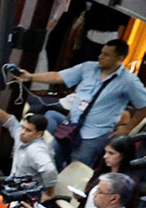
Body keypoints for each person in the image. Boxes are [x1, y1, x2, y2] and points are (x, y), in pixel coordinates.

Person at [18, 39, 146, 165]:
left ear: (119, 58)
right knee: (49, 162)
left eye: (106, 55)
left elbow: (144, 105)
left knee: (76, 172)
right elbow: (58, 76)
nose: (100, 57)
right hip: (70, 126)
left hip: (94, 135)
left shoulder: (129, 81)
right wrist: (31, 77)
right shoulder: (88, 67)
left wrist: (128, 128)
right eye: (101, 52)